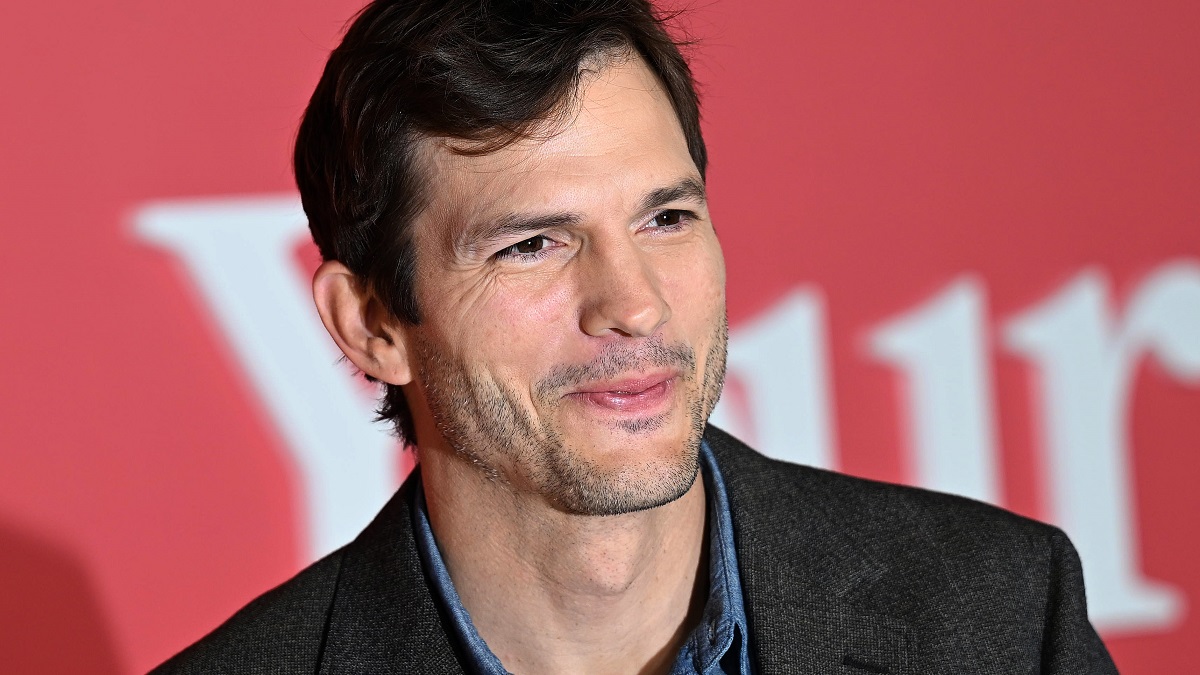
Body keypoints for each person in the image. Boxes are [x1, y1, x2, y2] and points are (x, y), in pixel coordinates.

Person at [154, 0, 1117, 673]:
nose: (635, 302)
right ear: (371, 323)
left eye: (666, 219)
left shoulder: (996, 617)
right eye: (534, 243)